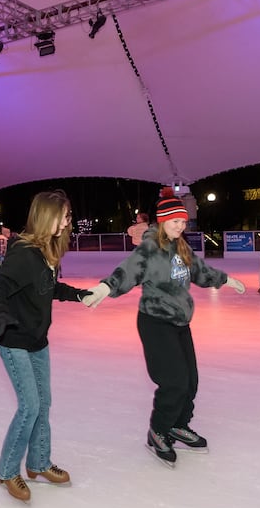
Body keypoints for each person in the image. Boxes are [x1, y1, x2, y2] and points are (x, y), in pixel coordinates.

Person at [86, 195, 246, 466]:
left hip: (181, 322)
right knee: (174, 382)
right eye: (175, 221)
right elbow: (128, 271)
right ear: (162, 221)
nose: (180, 226)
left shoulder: (181, 246)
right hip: (155, 322)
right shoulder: (149, 247)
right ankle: (158, 431)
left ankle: (177, 425)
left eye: (183, 221)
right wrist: (105, 287)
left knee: (190, 381)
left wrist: (226, 279)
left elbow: (200, 271)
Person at [0, 191, 97, 502]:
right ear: (48, 216)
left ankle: (37, 463)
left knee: (43, 403)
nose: (67, 220)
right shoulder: (24, 253)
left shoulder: (45, 251)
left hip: (37, 339)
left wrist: (79, 295)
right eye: (64, 214)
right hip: (14, 339)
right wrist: (0, 312)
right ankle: (8, 470)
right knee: (30, 406)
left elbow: (48, 288)